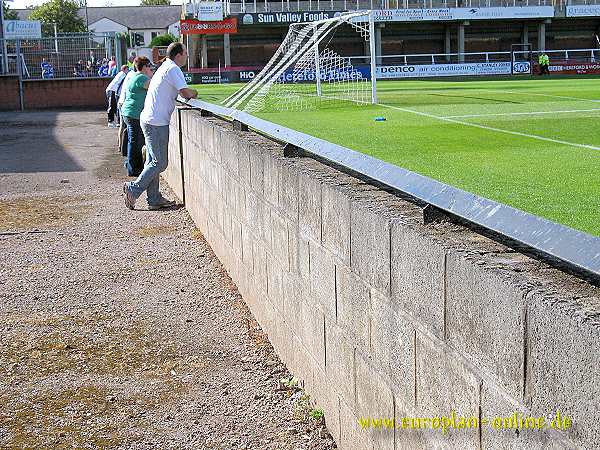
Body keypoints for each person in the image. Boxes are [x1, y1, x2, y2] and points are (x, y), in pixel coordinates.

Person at [123, 42, 197, 210]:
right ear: (178, 55)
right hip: (156, 122)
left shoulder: (165, 67)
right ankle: (133, 189)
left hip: (149, 119)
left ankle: (154, 198)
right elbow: (185, 93)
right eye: (185, 53)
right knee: (160, 163)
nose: (186, 56)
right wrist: (195, 93)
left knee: (152, 161)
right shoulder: (173, 69)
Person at [121, 57, 154, 176]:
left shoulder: (135, 76)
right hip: (133, 114)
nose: (150, 68)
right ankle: (134, 169)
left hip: (130, 113)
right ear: (144, 67)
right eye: (149, 66)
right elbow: (154, 86)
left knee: (133, 140)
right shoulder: (141, 77)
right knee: (136, 142)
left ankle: (131, 165)